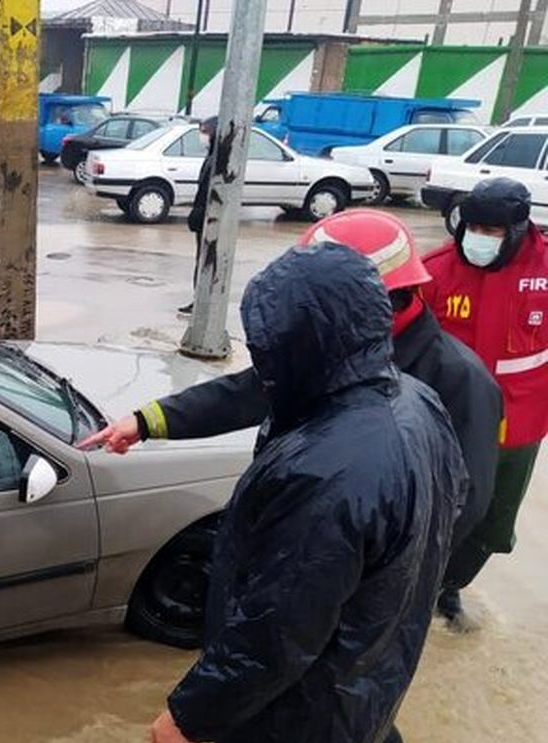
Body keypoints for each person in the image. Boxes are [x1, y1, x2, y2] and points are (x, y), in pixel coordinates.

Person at [146, 243, 466, 743]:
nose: (262, 365)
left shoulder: (326, 472)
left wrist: (190, 715)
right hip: (371, 679)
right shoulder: (417, 403)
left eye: (269, 349)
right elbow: (451, 509)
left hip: (292, 732)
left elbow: (276, 630)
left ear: (303, 351)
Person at [83, 209, 501, 565]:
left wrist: (371, 577)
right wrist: (146, 422)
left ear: (368, 299)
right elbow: (246, 394)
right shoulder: (329, 345)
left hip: (361, 580)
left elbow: (465, 504)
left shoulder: (458, 379)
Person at [422, 177, 548, 630]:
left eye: (492, 232)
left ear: (517, 230)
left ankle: (449, 585)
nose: (479, 239)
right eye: (472, 228)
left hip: (519, 424)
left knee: (493, 526)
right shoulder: (436, 270)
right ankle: (412, 587)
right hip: (447, 421)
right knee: (433, 513)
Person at [179, 116, 219, 314]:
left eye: (205, 132)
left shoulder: (217, 160)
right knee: (201, 260)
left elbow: (209, 192)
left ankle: (203, 302)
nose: (202, 137)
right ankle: (199, 299)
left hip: (208, 218)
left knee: (206, 261)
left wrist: (199, 212)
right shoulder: (211, 157)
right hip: (203, 216)